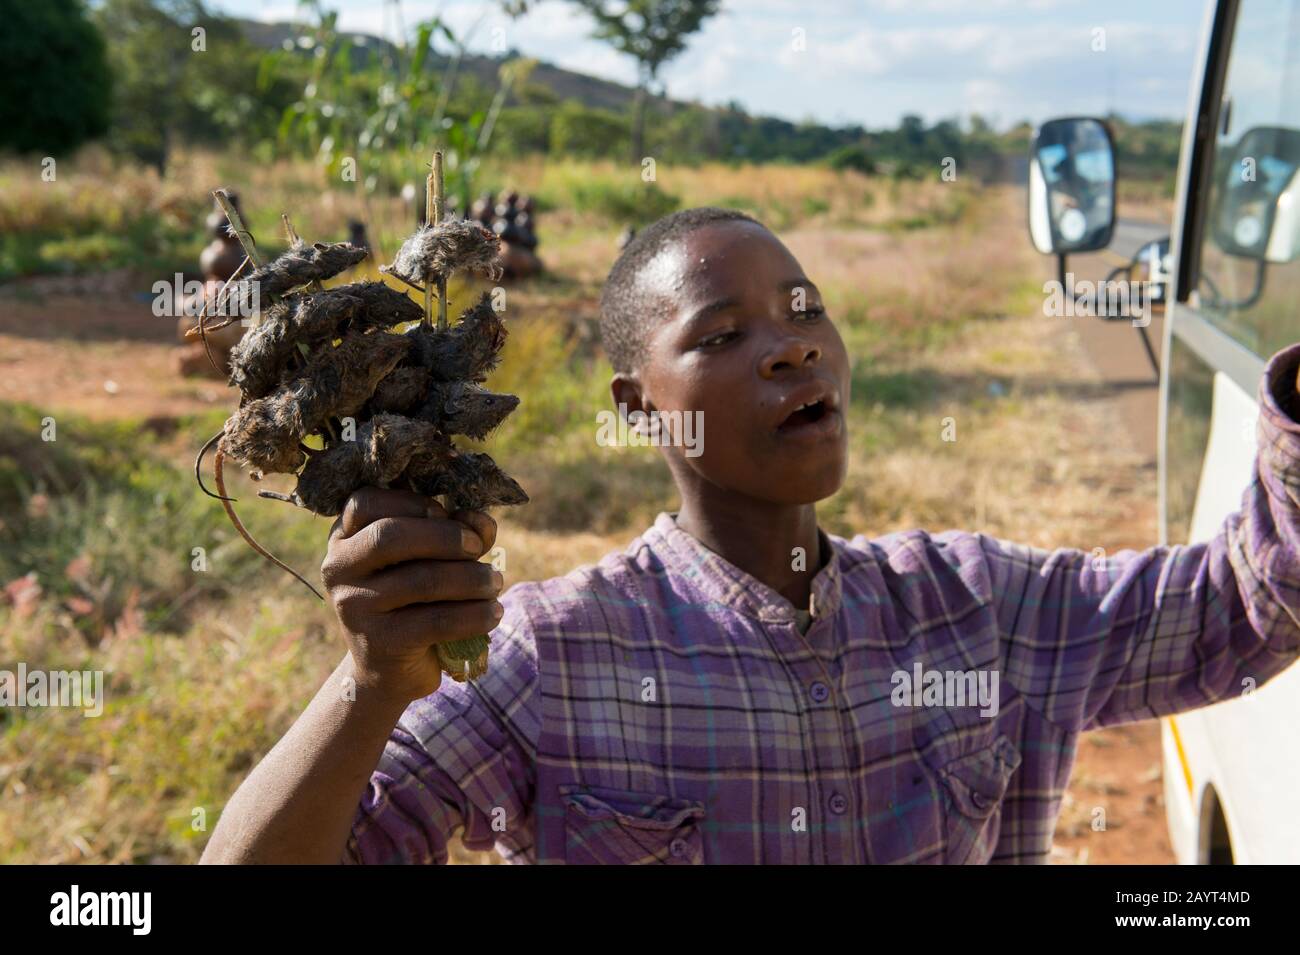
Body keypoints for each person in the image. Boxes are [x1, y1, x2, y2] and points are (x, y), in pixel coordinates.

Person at [200, 207, 1300, 864]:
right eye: (724, 334)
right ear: (639, 405)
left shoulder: (979, 609)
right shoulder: (551, 657)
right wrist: (370, 685)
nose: (790, 349)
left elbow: (1252, 606)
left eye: (806, 308)